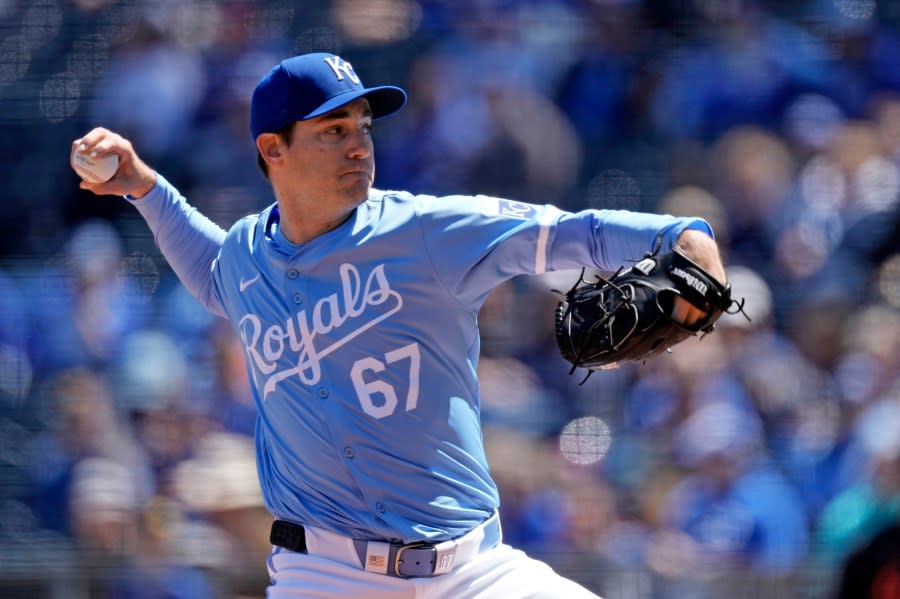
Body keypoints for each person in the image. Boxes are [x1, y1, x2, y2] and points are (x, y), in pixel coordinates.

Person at [74, 52, 726, 598]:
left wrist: (682, 235)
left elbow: (563, 231)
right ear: (272, 149)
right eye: (334, 130)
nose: (359, 144)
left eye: (364, 126)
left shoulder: (424, 230)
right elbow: (209, 265)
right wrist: (144, 185)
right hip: (323, 576)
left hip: (470, 572)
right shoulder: (248, 256)